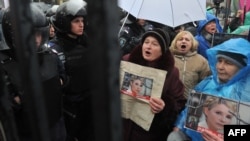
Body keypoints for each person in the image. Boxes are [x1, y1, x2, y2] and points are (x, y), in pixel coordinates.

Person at [0, 3, 66, 141]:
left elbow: (64, 79)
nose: (36, 40)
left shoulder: (51, 56)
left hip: (56, 127)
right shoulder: (4, 66)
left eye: (38, 34)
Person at [172, 38, 250, 141]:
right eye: (219, 61)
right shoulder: (208, 82)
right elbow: (190, 108)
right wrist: (179, 126)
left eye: (228, 63)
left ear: (242, 67)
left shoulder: (247, 92)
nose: (220, 67)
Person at [122, 28, 186, 141]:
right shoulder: (127, 61)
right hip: (122, 126)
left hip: (149, 133)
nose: (148, 46)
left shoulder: (172, 72)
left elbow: (179, 103)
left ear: (163, 50)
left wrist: (164, 106)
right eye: (146, 42)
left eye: (154, 44)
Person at [48, 0, 92, 141]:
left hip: (89, 101)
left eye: (83, 20)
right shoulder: (55, 48)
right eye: (76, 21)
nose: (81, 24)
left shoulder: (86, 42)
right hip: (69, 106)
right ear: (65, 22)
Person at [169, 31, 210, 99]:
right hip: (170, 101)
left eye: (187, 40)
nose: (183, 41)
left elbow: (205, 83)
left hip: (191, 102)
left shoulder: (201, 61)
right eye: (180, 39)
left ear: (192, 43)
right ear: (175, 42)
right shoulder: (168, 58)